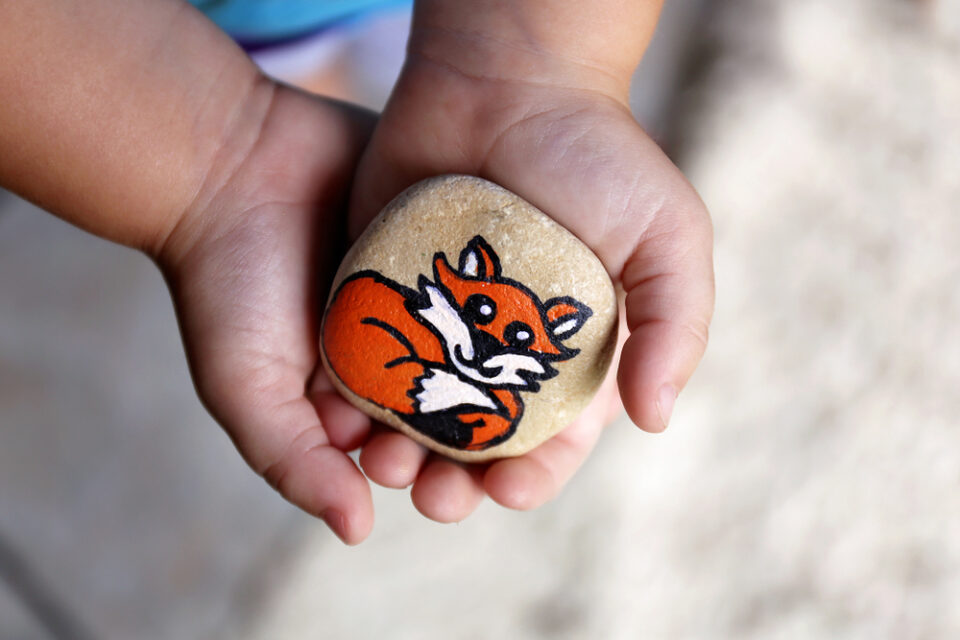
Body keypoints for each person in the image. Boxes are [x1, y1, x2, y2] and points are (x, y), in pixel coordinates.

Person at [0, 0, 714, 544]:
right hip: (127, 45)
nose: (493, 349)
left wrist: (530, 59)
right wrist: (212, 160)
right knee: (296, 59)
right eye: (491, 326)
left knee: (384, 49)